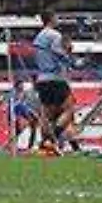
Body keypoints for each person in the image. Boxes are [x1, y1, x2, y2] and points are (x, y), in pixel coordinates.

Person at [32, 12, 76, 155]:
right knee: (69, 110)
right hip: (55, 78)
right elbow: (59, 53)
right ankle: (52, 139)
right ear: (51, 19)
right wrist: (69, 52)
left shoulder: (38, 37)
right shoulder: (55, 35)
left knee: (47, 114)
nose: (58, 20)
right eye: (56, 17)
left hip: (41, 78)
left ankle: (45, 145)